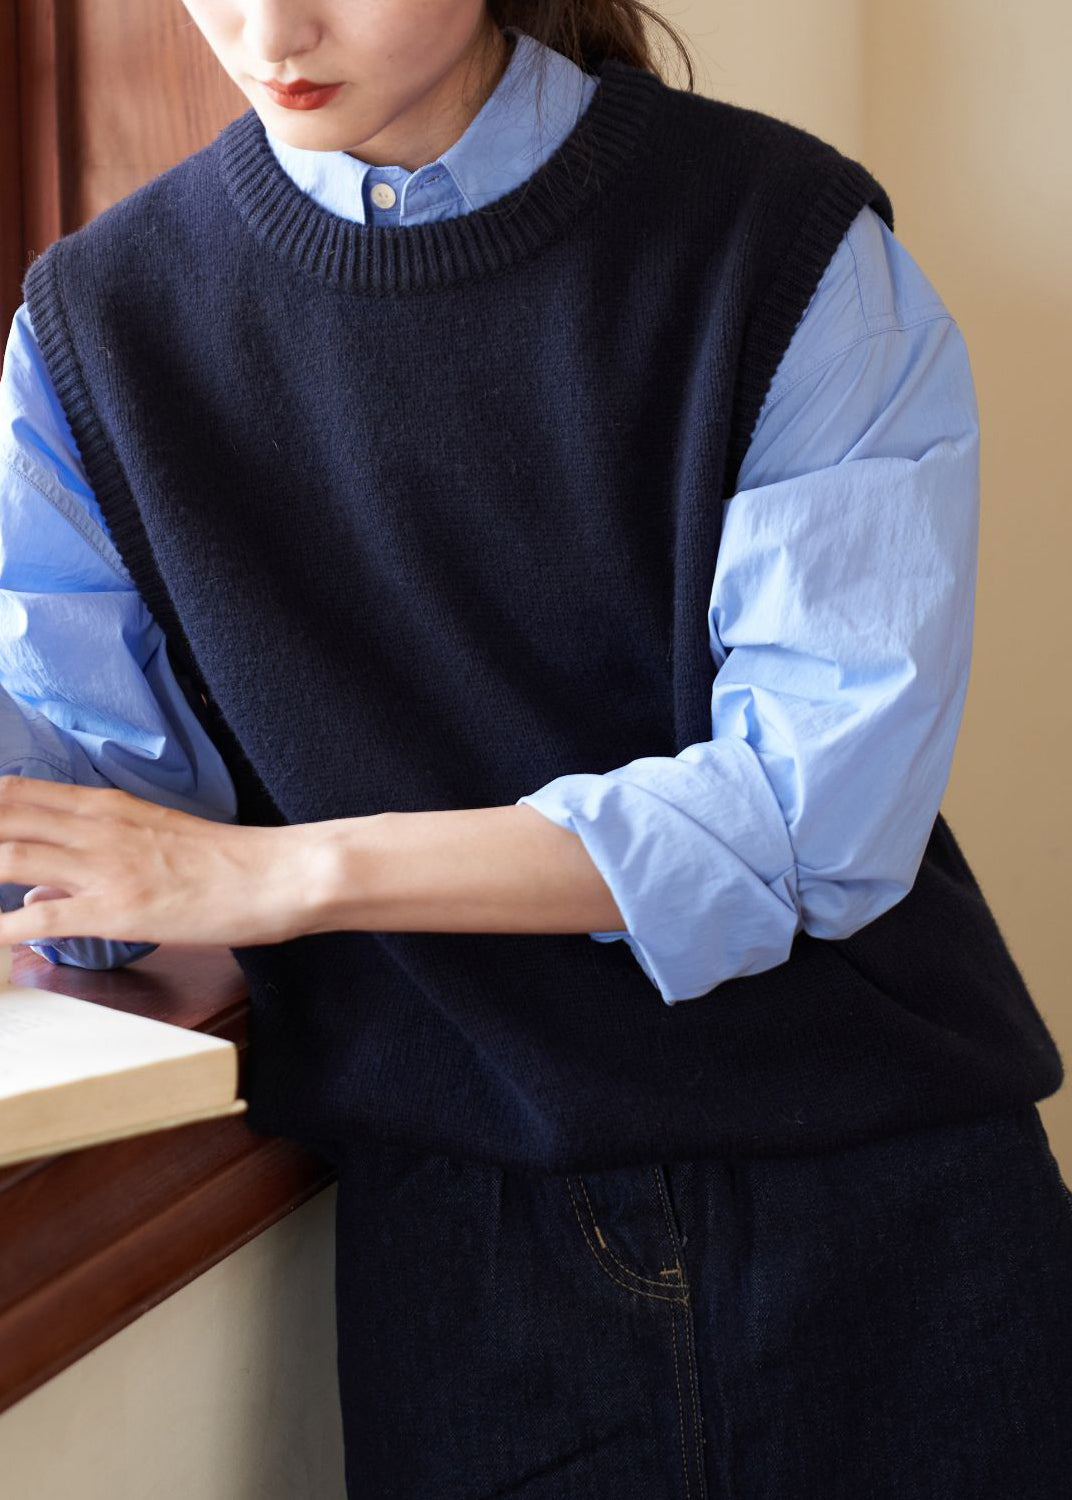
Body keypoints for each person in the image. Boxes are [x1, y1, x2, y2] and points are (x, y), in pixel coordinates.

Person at [1, 3, 1070, 1496]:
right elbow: (97, 860)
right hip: (462, 1258)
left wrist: (287, 874)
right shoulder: (92, 329)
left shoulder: (785, 241)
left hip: (883, 1202)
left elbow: (812, 818)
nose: (267, 24)